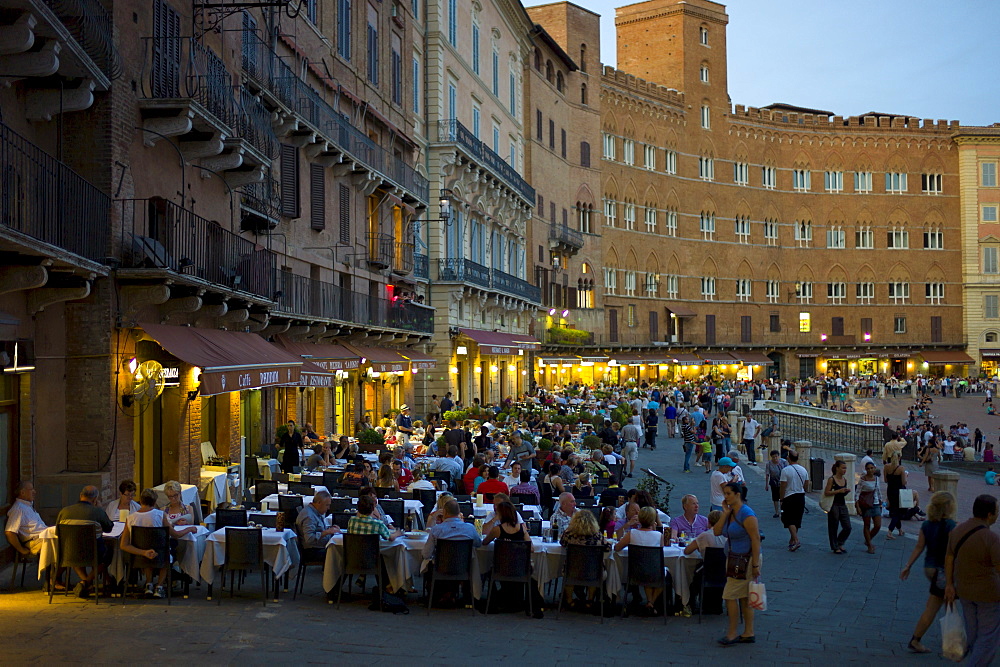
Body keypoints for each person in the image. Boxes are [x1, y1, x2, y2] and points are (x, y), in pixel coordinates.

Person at [944, 494, 1000, 666]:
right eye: (997, 512)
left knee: (973, 632)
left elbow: (949, 557)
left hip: (964, 590)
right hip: (988, 594)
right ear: (989, 514)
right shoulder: (991, 538)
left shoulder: (957, 530)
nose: (998, 515)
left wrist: (949, 584)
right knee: (988, 637)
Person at [900, 491, 957, 654]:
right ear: (948, 507)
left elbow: (919, 546)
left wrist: (908, 565)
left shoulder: (927, 525)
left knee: (943, 604)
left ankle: (947, 638)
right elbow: (952, 551)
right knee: (941, 606)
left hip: (929, 568)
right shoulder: (951, 526)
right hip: (943, 570)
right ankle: (949, 640)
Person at [120, 488, 197, 599]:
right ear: (155, 502)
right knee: (165, 550)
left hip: (139, 556)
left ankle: (148, 583)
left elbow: (124, 545)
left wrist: (143, 552)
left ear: (140, 501)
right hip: (160, 556)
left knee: (148, 549)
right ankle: (159, 586)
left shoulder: (130, 518)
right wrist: (189, 529)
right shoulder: (160, 515)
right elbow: (175, 534)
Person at [714, 481, 762, 645]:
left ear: (737, 495)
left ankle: (732, 633)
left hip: (746, 560)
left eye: (728, 494)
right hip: (734, 559)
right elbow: (716, 531)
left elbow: (755, 539)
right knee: (744, 597)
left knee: (729, 595)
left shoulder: (747, 514)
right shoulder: (731, 512)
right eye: (725, 493)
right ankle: (748, 632)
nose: (725, 496)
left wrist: (755, 565)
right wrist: (725, 514)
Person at [56, 485, 115, 597]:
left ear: (80, 496)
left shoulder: (64, 511)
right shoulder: (97, 512)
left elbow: (58, 533)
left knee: (75, 548)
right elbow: (108, 528)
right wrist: (100, 509)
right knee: (108, 553)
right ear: (95, 499)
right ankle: (86, 582)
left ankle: (85, 583)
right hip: (93, 553)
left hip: (70, 553)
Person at [614, 506, 667, 615]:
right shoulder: (659, 535)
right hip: (653, 572)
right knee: (663, 573)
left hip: (636, 572)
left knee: (646, 569)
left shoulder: (632, 534)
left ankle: (650, 602)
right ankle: (651, 603)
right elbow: (661, 549)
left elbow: (617, 548)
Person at [560, 510, 611, 610]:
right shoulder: (597, 536)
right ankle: (590, 600)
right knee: (595, 572)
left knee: (568, 574)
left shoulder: (569, 534)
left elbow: (562, 543)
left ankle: (569, 600)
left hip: (572, 570)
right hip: (593, 572)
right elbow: (608, 547)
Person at [779, 451, 809, 552]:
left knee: (788, 519)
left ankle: (796, 540)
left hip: (789, 496)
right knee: (797, 518)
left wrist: (781, 499)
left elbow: (783, 485)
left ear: (788, 458)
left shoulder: (785, 470)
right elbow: (806, 483)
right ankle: (792, 540)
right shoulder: (803, 470)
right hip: (800, 496)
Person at [824, 460, 852, 554]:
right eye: (843, 468)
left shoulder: (844, 480)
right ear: (837, 468)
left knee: (847, 526)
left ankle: (840, 542)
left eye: (845, 468)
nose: (844, 470)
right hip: (833, 504)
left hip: (842, 504)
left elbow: (842, 494)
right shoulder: (832, 479)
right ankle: (835, 546)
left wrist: (845, 492)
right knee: (833, 526)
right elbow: (827, 492)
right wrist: (838, 491)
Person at [857, 461, 884, 554]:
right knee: (867, 525)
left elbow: (878, 490)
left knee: (877, 525)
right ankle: (869, 544)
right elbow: (857, 493)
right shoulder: (863, 480)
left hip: (875, 503)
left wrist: (881, 501)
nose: (870, 470)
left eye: (872, 468)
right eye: (868, 468)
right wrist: (857, 507)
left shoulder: (876, 478)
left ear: (874, 468)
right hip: (866, 504)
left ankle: (868, 539)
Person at [885, 453, 908, 539]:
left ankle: (900, 529)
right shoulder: (901, 468)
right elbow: (903, 482)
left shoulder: (886, 467)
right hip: (899, 492)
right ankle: (890, 531)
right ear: (899, 458)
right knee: (897, 512)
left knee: (894, 509)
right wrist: (906, 477)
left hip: (890, 490)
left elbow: (885, 480)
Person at [764, 450, 787, 519]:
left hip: (782, 482)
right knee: (775, 497)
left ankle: (783, 511)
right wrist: (766, 484)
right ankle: (777, 512)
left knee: (782, 497)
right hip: (774, 482)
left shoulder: (783, 462)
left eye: (776, 457)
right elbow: (767, 474)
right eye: (773, 457)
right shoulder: (769, 464)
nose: (775, 458)